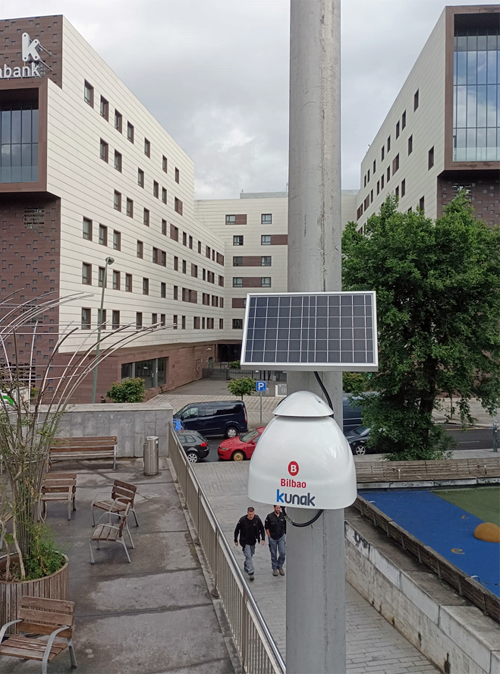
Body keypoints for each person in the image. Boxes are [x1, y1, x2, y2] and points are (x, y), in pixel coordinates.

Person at [234, 506, 265, 581]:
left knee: (251, 554)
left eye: (252, 514)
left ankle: (246, 564)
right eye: (250, 514)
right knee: (249, 556)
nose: (251, 516)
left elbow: (261, 528)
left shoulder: (257, 519)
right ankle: (251, 572)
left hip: (253, 541)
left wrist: (263, 538)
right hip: (245, 542)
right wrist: (235, 540)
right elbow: (237, 530)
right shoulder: (242, 520)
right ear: (247, 513)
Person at [265, 504, 286, 576]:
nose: (278, 509)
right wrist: (269, 536)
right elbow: (266, 527)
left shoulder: (283, 515)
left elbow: (286, 525)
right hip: (273, 537)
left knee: (282, 553)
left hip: (281, 537)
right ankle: (274, 568)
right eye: (277, 508)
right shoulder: (269, 516)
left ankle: (280, 565)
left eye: (279, 508)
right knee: (273, 553)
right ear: (274, 508)